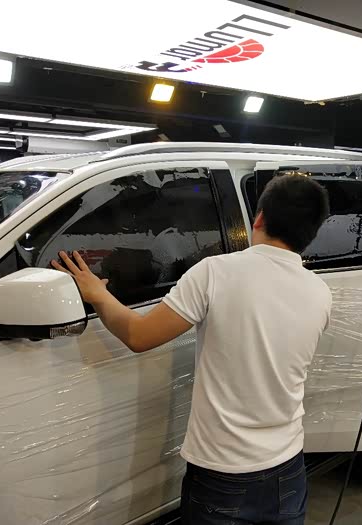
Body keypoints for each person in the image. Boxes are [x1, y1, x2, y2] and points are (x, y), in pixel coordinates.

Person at [52, 174, 332, 524]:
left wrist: (97, 294)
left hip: (223, 473)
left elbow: (139, 336)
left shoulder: (216, 272)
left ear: (259, 218)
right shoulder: (320, 292)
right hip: (289, 469)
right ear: (311, 232)